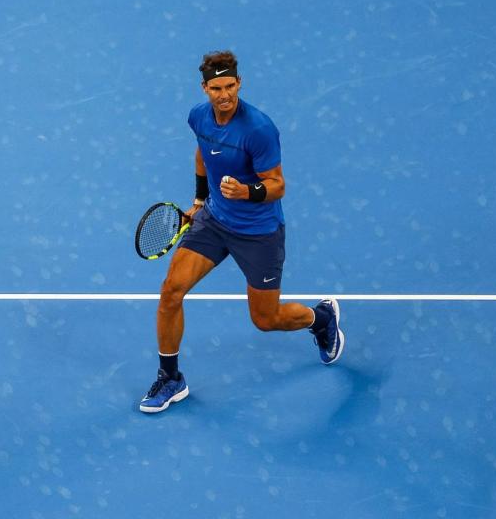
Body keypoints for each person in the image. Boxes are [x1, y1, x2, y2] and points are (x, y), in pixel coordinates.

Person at [139, 50, 344, 413]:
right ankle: (170, 378)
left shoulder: (258, 129)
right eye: (217, 88)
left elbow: (278, 185)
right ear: (204, 89)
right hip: (215, 221)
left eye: (230, 86)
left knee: (266, 320)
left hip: (258, 233)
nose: (225, 95)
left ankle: (321, 319)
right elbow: (203, 154)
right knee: (171, 291)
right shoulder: (198, 117)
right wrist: (199, 200)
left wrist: (246, 192)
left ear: (240, 83)